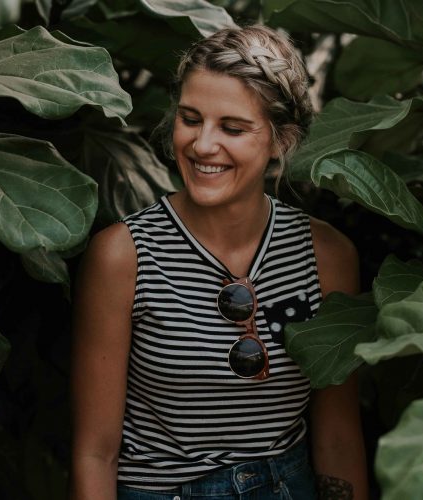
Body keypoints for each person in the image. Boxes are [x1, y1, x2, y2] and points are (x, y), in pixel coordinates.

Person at [71, 25, 368, 500]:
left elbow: (336, 434)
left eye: (232, 128)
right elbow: (95, 452)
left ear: (280, 139)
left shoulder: (327, 256)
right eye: (191, 119)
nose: (203, 145)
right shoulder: (122, 256)